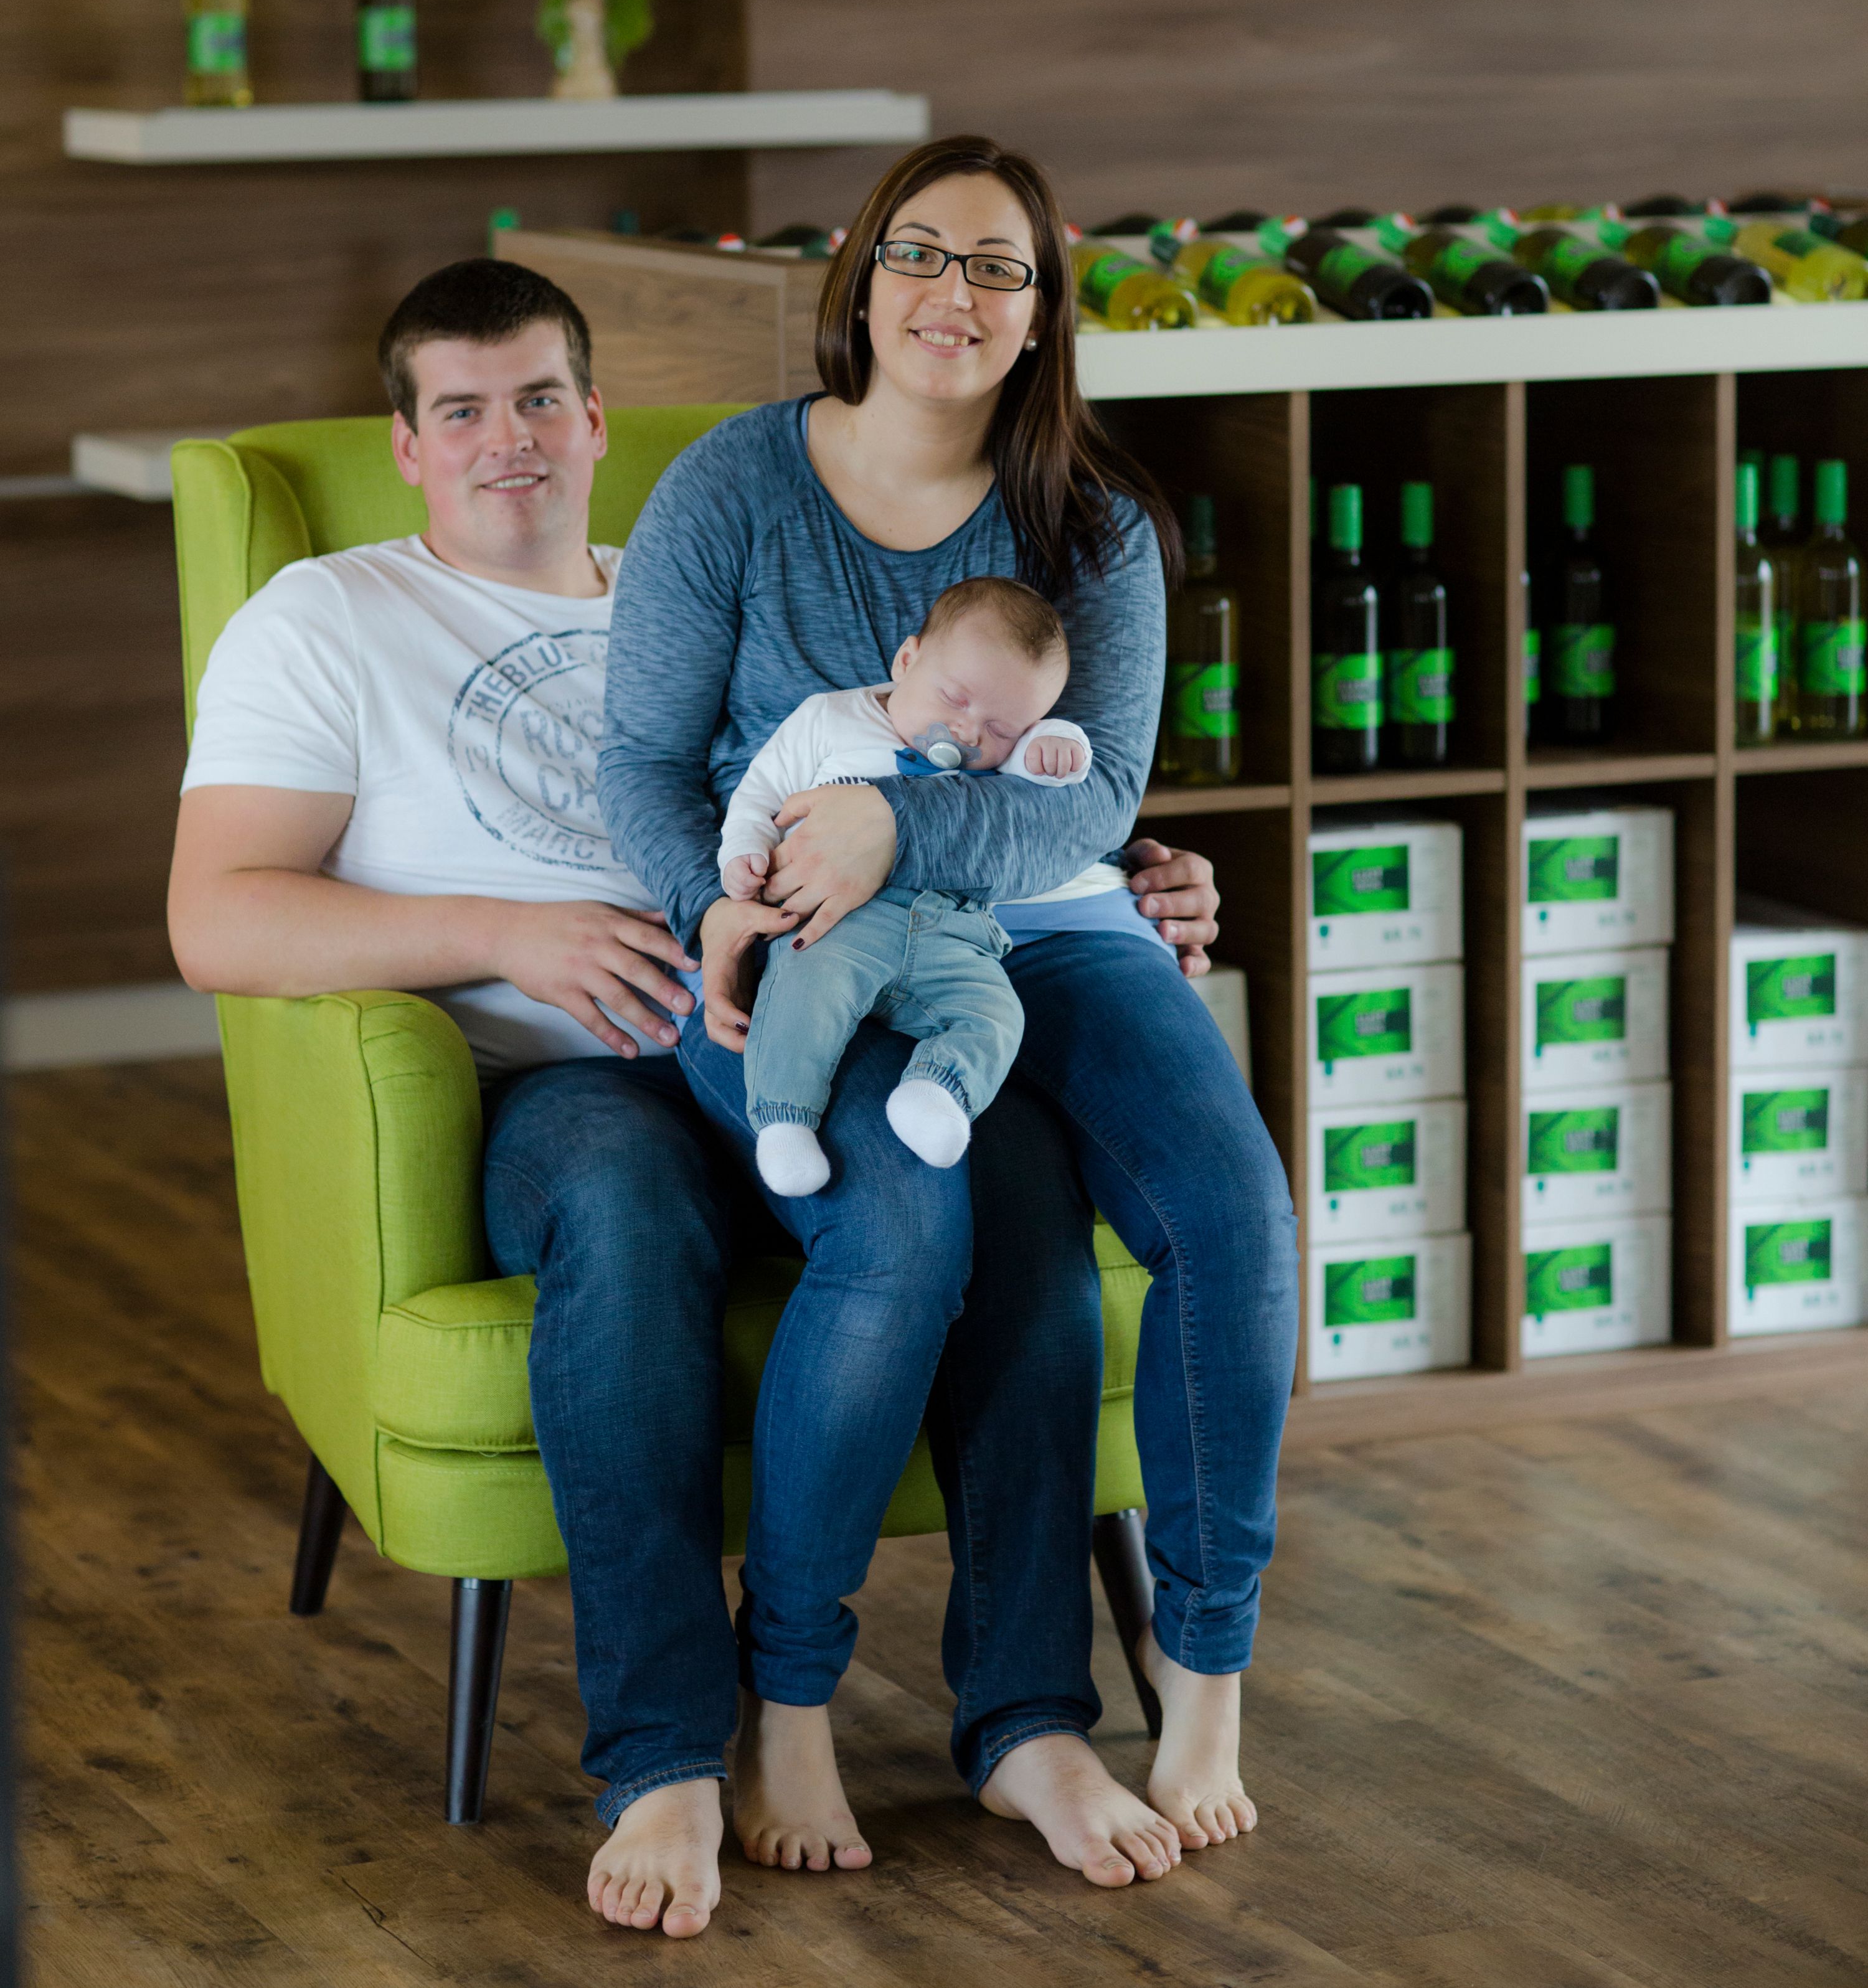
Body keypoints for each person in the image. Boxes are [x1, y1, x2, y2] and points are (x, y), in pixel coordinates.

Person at [166, 249, 1231, 1938]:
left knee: (992, 1199)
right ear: (408, 443)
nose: (509, 438)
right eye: (463, 410)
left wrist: (1113, 872)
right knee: (624, 1211)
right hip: (558, 1076)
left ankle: (1025, 1715)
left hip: (786, 1018)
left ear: (598, 421)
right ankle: (667, 1751)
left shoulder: (704, 576)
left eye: (540, 398)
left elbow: (926, 757)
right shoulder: (328, 616)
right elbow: (215, 916)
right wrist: (506, 931)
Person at [600, 134, 1301, 1906]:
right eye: (921, 252)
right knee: (970, 1229)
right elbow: (643, 763)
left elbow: (1097, 798)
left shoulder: (1097, 523)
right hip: (812, 946)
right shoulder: (731, 486)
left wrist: (904, 825)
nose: (954, 293)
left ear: (1043, 309)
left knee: (1231, 1208)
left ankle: (1199, 1688)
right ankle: (820, 1700)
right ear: (860, 277)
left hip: (1046, 934)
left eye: (1000, 266)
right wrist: (718, 908)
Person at [720, 573, 1101, 1194]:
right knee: (800, 994)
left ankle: (936, 1092)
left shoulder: (1002, 750)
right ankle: (785, 1124)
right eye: (955, 699)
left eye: (1001, 729)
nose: (969, 734)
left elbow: (1053, 767)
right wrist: (743, 852)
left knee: (996, 1013)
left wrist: (1058, 741)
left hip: (952, 930)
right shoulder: (829, 719)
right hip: (838, 922)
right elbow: (759, 794)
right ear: (907, 660)